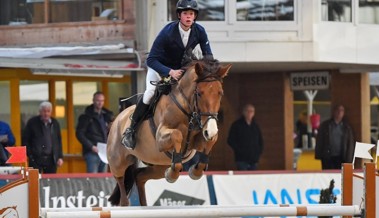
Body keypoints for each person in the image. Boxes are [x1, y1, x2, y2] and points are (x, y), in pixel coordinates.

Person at [121, 0, 213, 150]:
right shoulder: (168, 32)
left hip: (180, 71)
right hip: (160, 68)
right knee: (150, 93)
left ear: (195, 16)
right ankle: (131, 130)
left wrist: (210, 74)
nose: (188, 17)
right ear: (179, 15)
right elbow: (151, 60)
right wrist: (169, 72)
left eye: (191, 14)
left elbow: (208, 56)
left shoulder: (199, 31)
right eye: (185, 14)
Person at [76, 91, 114, 173]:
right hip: (92, 152)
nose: (100, 103)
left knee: (103, 178)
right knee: (92, 178)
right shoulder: (86, 116)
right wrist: (91, 146)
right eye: (98, 100)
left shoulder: (106, 116)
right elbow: (79, 134)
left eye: (102, 101)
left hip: (104, 152)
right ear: (93, 100)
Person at [22, 101, 64, 173]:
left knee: (50, 181)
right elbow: (25, 140)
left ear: (51, 112)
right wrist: (30, 155)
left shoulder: (55, 123)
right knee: (35, 182)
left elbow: (58, 141)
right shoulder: (32, 123)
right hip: (35, 159)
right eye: (44, 111)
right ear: (40, 112)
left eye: (48, 111)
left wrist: (60, 157)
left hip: (51, 159)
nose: (46, 113)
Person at [315, 104, 355, 170]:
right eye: (338, 110)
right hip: (328, 157)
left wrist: (349, 158)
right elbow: (320, 140)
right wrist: (319, 154)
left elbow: (350, 143)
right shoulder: (325, 125)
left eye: (342, 110)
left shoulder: (346, 127)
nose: (339, 112)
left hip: (342, 157)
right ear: (334, 112)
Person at [227, 104, 264, 170]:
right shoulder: (236, 125)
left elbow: (260, 141)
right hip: (241, 159)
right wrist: (239, 150)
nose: (250, 113)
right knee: (242, 178)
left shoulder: (255, 126)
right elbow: (230, 140)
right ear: (243, 112)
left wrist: (258, 152)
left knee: (253, 179)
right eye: (248, 111)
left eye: (252, 111)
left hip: (254, 159)